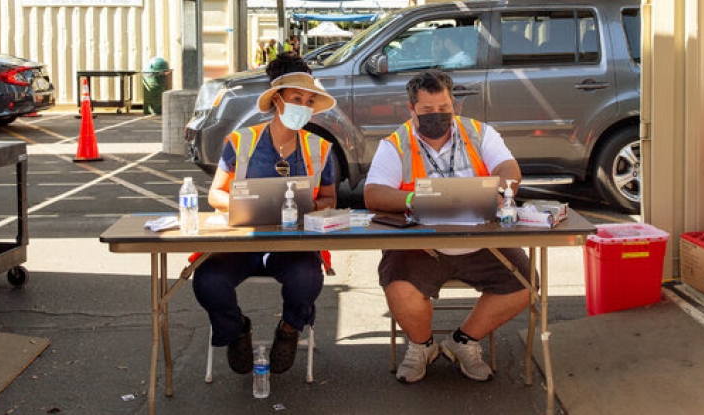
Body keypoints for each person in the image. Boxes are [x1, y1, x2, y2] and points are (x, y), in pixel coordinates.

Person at [363, 69, 531, 384]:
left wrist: (499, 192)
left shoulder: (479, 133)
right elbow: (373, 194)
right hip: (420, 243)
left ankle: (464, 341)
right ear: (411, 109)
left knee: (523, 284)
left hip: (481, 239)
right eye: (427, 111)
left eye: (444, 109)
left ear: (453, 104)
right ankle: (422, 346)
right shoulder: (395, 143)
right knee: (399, 287)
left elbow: (509, 168)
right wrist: (414, 198)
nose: (437, 116)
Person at [192, 51, 337, 376]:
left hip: (293, 244)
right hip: (242, 241)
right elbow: (215, 193)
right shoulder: (242, 141)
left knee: (308, 278)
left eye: (309, 100)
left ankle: (288, 329)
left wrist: (310, 206)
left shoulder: (320, 148)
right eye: (296, 98)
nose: (304, 105)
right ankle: (236, 330)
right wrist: (250, 206)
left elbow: (329, 198)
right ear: (277, 101)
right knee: (208, 281)